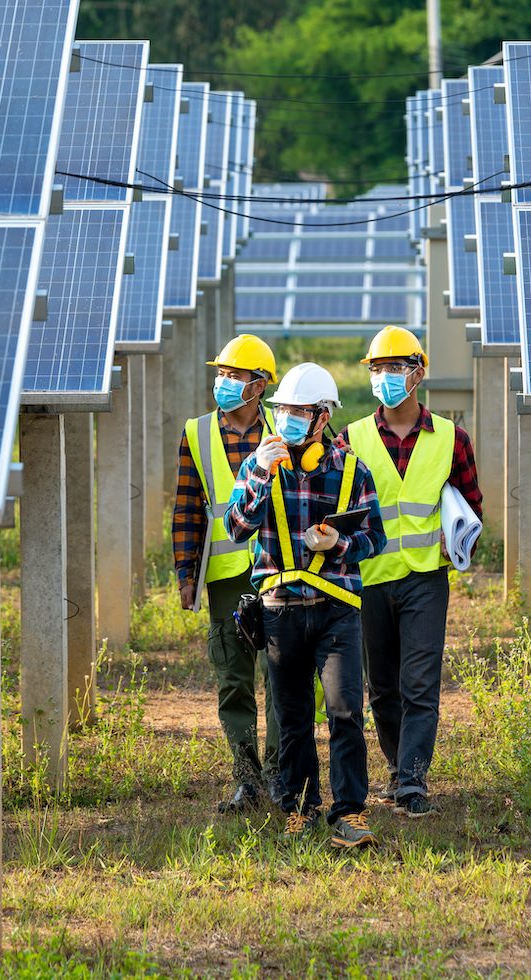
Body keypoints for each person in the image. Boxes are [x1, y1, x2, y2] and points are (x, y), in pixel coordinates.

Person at [225, 362, 388, 849]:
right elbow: (237, 528)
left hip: (337, 609)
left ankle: (349, 812)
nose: (288, 420)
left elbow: (375, 538)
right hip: (280, 610)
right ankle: (298, 808)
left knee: (345, 711)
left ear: (321, 418)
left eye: (299, 412)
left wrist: (339, 542)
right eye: (282, 411)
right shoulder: (256, 466)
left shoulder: (352, 470)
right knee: (292, 716)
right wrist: (258, 473)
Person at [335, 326, 484, 819]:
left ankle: (412, 779)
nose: (384, 378)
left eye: (394, 368)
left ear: (417, 374)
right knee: (381, 685)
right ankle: (399, 766)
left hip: (425, 578)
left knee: (419, 681)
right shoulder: (350, 439)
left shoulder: (451, 438)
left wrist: (459, 540)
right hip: (368, 578)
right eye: (377, 369)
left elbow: (472, 504)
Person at [173, 334, 282, 814]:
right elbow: (187, 508)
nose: (223, 382)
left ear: (258, 386)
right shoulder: (195, 433)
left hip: (279, 571)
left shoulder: (289, 427)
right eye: (221, 374)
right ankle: (247, 779)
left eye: (234, 376)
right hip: (223, 575)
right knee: (233, 679)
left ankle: (282, 776)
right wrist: (184, 573)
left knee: (282, 676)